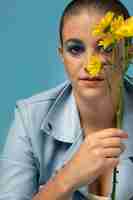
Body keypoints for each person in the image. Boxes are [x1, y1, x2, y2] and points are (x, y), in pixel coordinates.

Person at [0, 0, 133, 199]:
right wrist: (67, 179)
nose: (90, 64)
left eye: (106, 48)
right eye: (75, 49)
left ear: (128, 54)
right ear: (61, 55)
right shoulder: (29, 118)